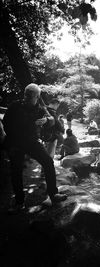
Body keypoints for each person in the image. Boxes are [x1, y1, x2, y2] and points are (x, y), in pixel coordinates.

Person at [3, 83, 67, 211]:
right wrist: (30, 125)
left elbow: (52, 120)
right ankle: (19, 202)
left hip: (32, 142)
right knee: (16, 171)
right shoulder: (15, 106)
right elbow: (6, 124)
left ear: (37, 97)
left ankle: (53, 194)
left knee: (48, 162)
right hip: (15, 142)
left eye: (30, 96)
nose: (26, 98)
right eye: (26, 95)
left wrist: (47, 121)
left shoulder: (40, 108)